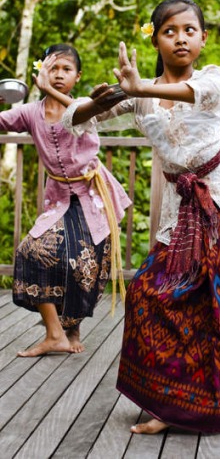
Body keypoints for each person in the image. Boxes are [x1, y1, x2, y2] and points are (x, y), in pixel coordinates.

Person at [59, 0, 220, 434]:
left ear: (203, 38)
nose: (180, 38)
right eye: (169, 31)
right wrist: (102, 100)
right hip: (183, 209)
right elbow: (73, 119)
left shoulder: (213, 79)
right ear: (155, 39)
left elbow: (198, 94)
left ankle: (215, 408)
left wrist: (140, 89)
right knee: (147, 294)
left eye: (189, 30)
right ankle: (166, 403)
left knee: (219, 305)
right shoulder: (139, 94)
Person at [0, 43, 131, 357]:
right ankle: (55, 334)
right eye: (52, 68)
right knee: (31, 252)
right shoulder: (31, 111)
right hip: (59, 199)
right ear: (41, 70)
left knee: (85, 265)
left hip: (94, 199)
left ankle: (72, 330)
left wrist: (49, 90)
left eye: (66, 69)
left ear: (77, 75)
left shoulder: (84, 104)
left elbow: (80, 114)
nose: (58, 75)